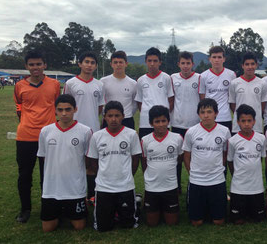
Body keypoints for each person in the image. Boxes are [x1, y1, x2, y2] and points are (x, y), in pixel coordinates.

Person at [13, 50, 61, 223]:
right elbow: (19, 105)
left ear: (44, 65)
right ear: (26, 66)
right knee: (24, 175)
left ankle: (47, 207)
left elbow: (57, 105)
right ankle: (25, 209)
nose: (35, 68)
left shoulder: (54, 84)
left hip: (48, 138)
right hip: (25, 137)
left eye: (38, 64)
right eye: (31, 65)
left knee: (47, 176)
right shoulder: (19, 86)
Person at [37, 94, 92, 232]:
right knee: (48, 228)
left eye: (68, 109)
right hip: (51, 189)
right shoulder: (46, 131)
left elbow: (88, 160)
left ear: (75, 109)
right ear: (55, 110)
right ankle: (59, 211)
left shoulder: (85, 131)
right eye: (60, 110)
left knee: (79, 226)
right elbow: (44, 158)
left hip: (75, 189)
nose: (64, 113)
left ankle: (68, 210)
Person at [86, 101, 142, 231]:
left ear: (123, 116)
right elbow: (93, 161)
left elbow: (135, 159)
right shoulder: (97, 136)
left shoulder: (131, 134)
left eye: (117, 115)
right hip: (104, 187)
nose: (113, 119)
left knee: (128, 225)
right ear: (104, 117)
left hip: (125, 186)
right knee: (103, 227)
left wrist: (128, 176)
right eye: (110, 116)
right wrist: (102, 175)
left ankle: (135, 204)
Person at [63, 51, 105, 202]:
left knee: (92, 164)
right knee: (74, 163)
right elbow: (65, 106)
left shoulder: (99, 84)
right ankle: (74, 195)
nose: (89, 65)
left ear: (95, 66)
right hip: (74, 130)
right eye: (86, 62)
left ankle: (91, 196)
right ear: (79, 64)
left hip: (93, 131)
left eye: (92, 62)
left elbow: (100, 108)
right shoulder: (71, 83)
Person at [183, 98, 231, 226]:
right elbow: (186, 156)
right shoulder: (191, 132)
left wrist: (217, 168)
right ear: (198, 114)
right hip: (196, 180)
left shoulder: (224, 131)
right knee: (196, 222)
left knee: (218, 221)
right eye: (202, 112)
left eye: (209, 111)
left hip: (217, 180)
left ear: (216, 113)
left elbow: (225, 154)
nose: (206, 115)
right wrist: (192, 172)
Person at [141, 106, 183, 226]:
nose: (161, 124)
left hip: (170, 186)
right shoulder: (145, 140)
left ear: (168, 121)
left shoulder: (177, 138)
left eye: (163, 121)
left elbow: (179, 159)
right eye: (157, 121)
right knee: (152, 223)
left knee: (172, 222)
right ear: (151, 123)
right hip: (152, 187)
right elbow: (144, 162)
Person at [227, 104, 266, 224]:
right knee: (237, 220)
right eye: (243, 121)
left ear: (254, 121)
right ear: (238, 122)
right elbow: (230, 161)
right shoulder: (233, 141)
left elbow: (260, 158)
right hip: (239, 187)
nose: (247, 124)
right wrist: (237, 174)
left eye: (249, 120)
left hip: (256, 187)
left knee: (258, 219)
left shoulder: (261, 138)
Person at [170, 51, 201, 193]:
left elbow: (202, 100)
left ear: (192, 64)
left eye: (188, 63)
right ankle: (176, 186)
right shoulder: (172, 78)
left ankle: (194, 184)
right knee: (177, 158)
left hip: (194, 125)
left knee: (194, 158)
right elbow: (170, 100)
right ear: (178, 64)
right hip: (177, 124)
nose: (185, 66)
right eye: (183, 63)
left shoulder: (199, 78)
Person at [135, 47, 174, 139]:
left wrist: (164, 115)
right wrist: (147, 113)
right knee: (145, 149)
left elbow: (171, 100)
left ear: (160, 62)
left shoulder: (166, 78)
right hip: (145, 122)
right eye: (149, 61)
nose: (152, 64)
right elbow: (139, 102)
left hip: (162, 122)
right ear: (146, 61)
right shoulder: (141, 80)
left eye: (155, 61)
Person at [229, 52, 267, 135]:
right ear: (242, 66)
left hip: (256, 126)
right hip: (238, 127)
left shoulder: (262, 83)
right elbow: (233, 105)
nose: (250, 67)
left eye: (252, 64)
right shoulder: (234, 83)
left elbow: (262, 105)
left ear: (256, 65)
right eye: (247, 64)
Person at [198, 46, 236, 131]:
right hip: (209, 118)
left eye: (219, 57)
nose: (216, 60)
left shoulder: (231, 75)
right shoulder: (203, 76)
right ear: (209, 59)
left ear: (224, 59)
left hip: (225, 117)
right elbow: (202, 99)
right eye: (214, 57)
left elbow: (232, 98)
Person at [100, 51, 137, 130]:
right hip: (109, 119)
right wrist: (106, 114)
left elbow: (135, 104)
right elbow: (100, 101)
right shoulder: (103, 81)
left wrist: (127, 114)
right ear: (111, 64)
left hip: (127, 119)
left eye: (121, 62)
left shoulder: (133, 83)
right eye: (115, 62)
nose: (118, 65)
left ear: (126, 64)